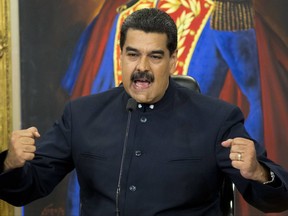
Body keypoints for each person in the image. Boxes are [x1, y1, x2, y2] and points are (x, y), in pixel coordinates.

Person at [1, 8, 288, 215]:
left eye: (155, 56)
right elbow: (28, 188)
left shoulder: (218, 119)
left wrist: (260, 173)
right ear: (121, 54)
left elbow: (276, 199)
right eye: (133, 54)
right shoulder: (81, 114)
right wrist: (10, 165)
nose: (142, 68)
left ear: (172, 60)